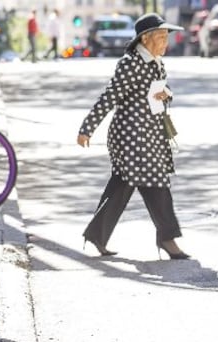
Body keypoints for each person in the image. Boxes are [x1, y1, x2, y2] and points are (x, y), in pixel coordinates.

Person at [76, 13, 190, 260]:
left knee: (126, 185)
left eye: (165, 37)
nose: (165, 43)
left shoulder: (155, 62)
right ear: (145, 38)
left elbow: (159, 89)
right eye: (160, 37)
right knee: (153, 184)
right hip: (131, 137)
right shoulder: (130, 63)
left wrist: (166, 94)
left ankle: (98, 235)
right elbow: (109, 96)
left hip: (150, 135)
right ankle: (168, 239)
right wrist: (87, 128)